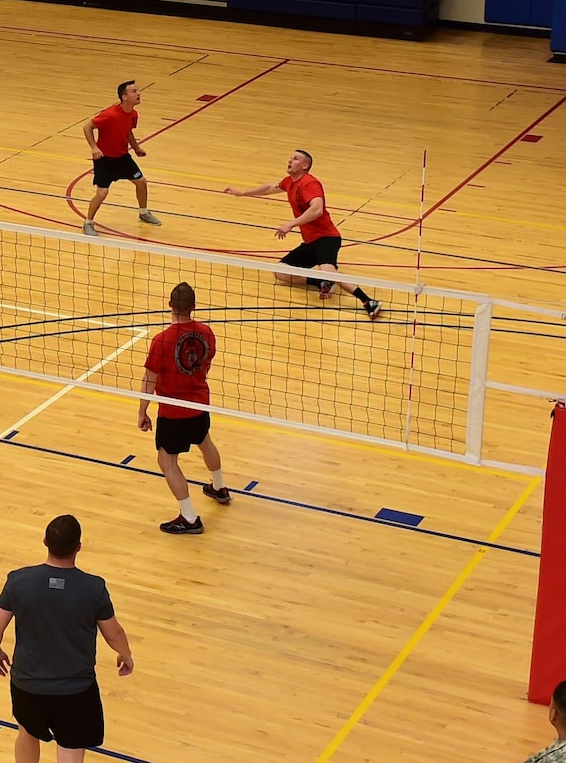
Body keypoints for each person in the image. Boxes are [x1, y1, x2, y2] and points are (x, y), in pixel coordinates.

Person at [0, 515, 134, 763]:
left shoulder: (19, 581)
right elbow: (112, 633)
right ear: (78, 547)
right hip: (75, 692)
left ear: (45, 543)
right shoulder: (93, 588)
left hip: (27, 684)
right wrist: (126, 654)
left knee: (27, 731)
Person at [225, 150, 383, 319]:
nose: (290, 160)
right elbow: (270, 187)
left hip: (326, 237)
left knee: (327, 269)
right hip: (310, 242)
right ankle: (320, 282)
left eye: (295, 158)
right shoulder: (289, 182)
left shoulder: (309, 183)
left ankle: (368, 301)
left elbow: (317, 209)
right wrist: (242, 193)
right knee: (280, 272)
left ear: (305, 166)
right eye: (290, 157)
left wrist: (291, 224)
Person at [137, 282, 230, 535]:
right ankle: (219, 487)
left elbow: (149, 380)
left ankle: (189, 518)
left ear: (170, 305)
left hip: (174, 411)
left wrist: (142, 411)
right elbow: (206, 365)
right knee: (205, 441)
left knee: (166, 460)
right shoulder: (207, 333)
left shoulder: (161, 340)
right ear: (194, 306)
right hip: (199, 405)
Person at [82, 80, 161, 233]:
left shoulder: (133, 114)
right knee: (102, 193)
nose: (139, 93)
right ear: (124, 97)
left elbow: (128, 132)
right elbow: (87, 127)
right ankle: (88, 222)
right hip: (105, 160)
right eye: (134, 91)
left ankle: (143, 213)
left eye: (138, 91)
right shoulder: (110, 114)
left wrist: (136, 148)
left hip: (123, 157)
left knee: (141, 182)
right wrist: (94, 147)